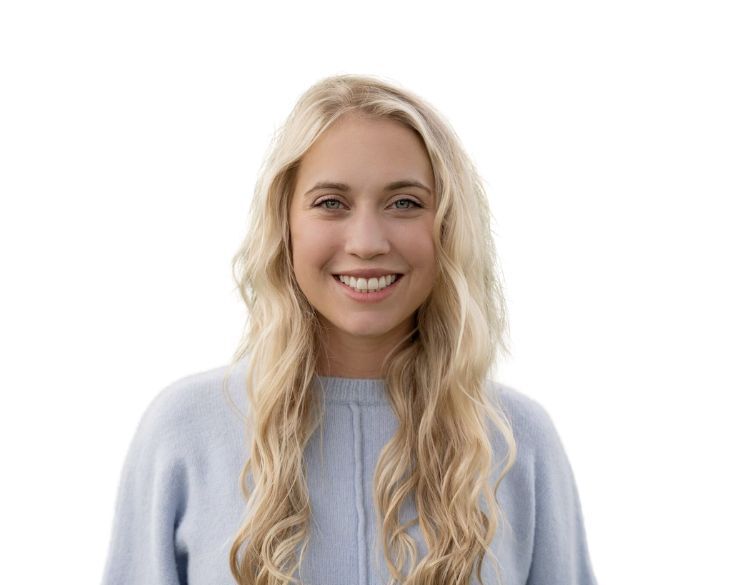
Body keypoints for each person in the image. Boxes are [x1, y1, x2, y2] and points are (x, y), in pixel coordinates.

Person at [100, 74, 598, 585]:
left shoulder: (515, 439)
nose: (366, 242)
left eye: (404, 202)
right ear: (285, 224)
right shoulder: (184, 431)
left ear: (448, 225)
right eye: (331, 202)